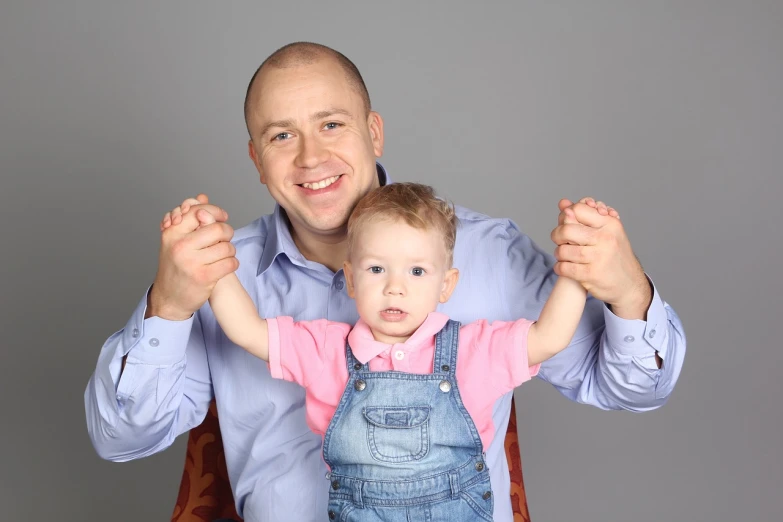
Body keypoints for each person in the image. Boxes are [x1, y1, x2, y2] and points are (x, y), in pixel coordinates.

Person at [84, 41, 686, 522]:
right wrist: (169, 305)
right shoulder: (219, 270)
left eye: (331, 124)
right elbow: (119, 439)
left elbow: (630, 389)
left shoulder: (485, 254)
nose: (311, 158)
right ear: (255, 158)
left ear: (374, 131)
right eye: (281, 135)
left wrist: (623, 290)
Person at [161, 182, 615, 521]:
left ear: (446, 285)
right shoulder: (327, 350)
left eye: (417, 271)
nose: (395, 286)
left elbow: (550, 337)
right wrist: (214, 263)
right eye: (377, 268)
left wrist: (577, 270)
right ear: (352, 280)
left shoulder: (474, 350)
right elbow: (246, 330)